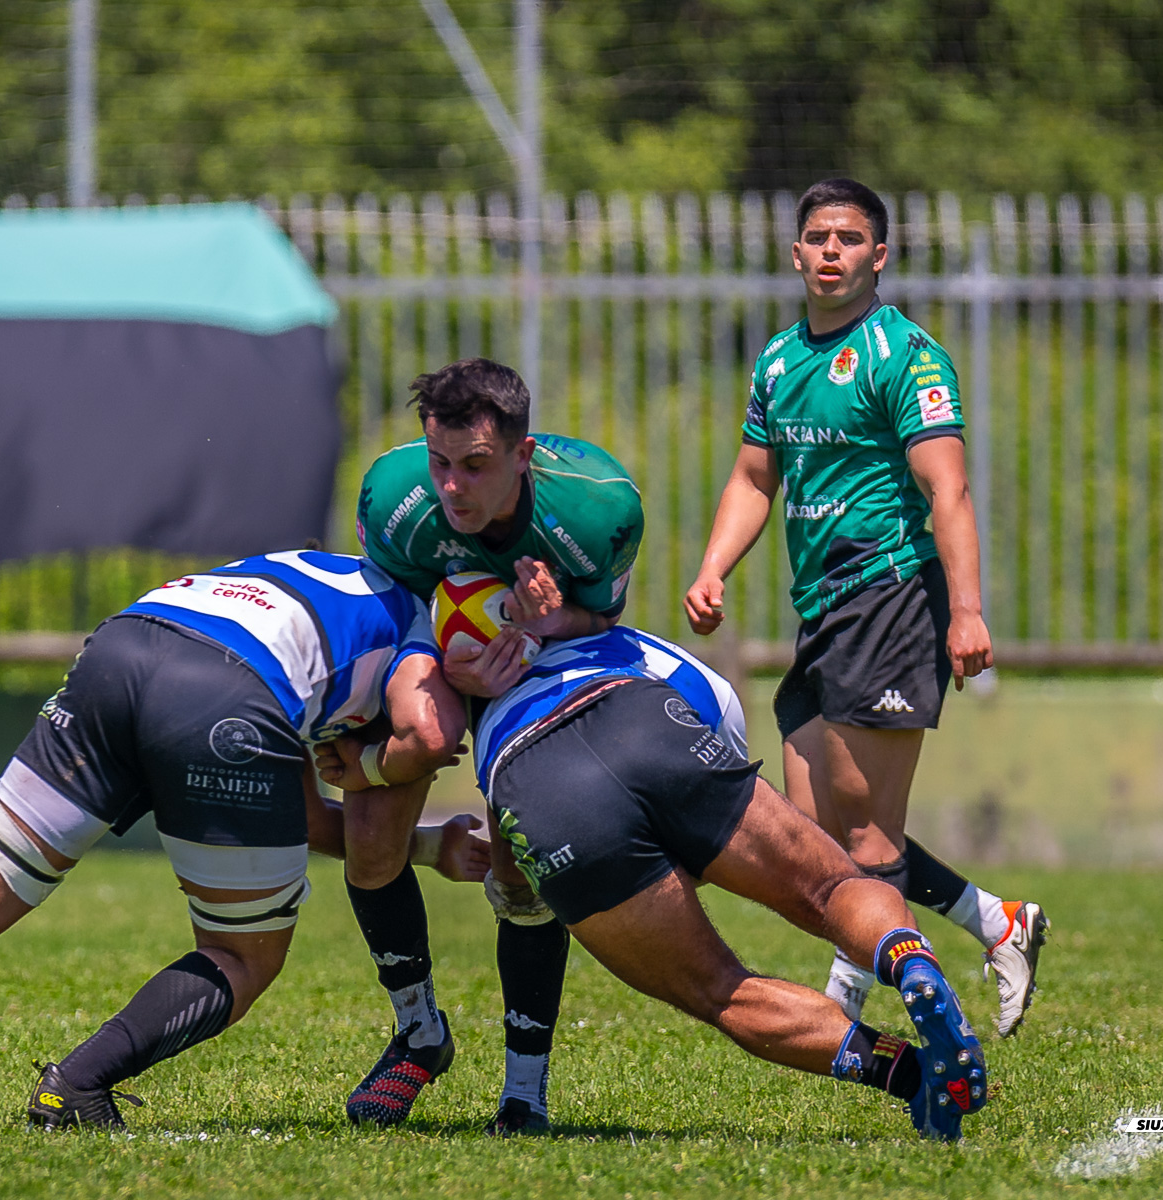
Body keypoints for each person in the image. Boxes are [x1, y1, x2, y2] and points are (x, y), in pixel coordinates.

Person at [0, 550, 488, 1126]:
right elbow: (422, 738)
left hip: (130, 642)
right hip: (223, 692)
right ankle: (75, 1084)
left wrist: (421, 844)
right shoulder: (420, 627)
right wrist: (383, 770)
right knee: (245, 955)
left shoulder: (309, 565)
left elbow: (276, 817)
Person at [683, 178, 1047, 1037]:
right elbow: (752, 477)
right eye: (819, 236)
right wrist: (712, 568)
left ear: (879, 256)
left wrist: (967, 611)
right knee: (816, 833)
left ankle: (869, 1005)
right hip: (824, 610)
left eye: (851, 237)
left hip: (890, 596)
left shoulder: (906, 355)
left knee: (871, 838)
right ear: (797, 252)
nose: (833, 250)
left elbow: (946, 488)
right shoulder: (778, 361)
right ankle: (997, 922)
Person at [469, 623, 990, 1142]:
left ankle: (913, 1076)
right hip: (643, 716)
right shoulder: (606, 631)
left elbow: (514, 886)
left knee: (721, 990)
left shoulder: (457, 672)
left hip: (536, 778)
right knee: (830, 889)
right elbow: (717, 702)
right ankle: (910, 961)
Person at [338, 357, 642, 1130]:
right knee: (370, 833)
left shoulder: (599, 509)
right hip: (438, 649)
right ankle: (417, 1035)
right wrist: (449, 658)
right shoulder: (395, 500)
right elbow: (388, 613)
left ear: (523, 454)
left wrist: (536, 625)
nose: (452, 486)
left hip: (545, 657)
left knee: (523, 864)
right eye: (440, 462)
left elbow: (601, 621)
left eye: (475, 466)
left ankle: (523, 1092)